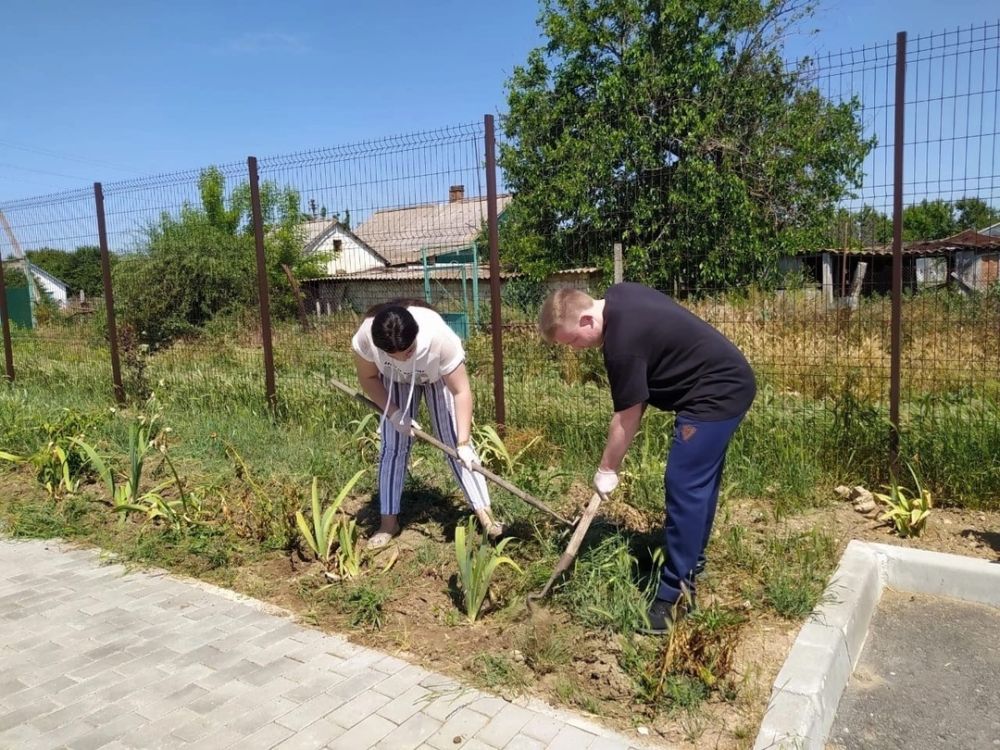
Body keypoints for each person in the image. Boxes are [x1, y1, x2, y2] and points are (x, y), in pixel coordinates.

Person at [539, 283, 756, 634]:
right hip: (725, 380)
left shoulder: (621, 343)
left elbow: (627, 415)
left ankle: (674, 597)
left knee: (684, 484)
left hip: (716, 392)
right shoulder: (621, 295)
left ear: (584, 319)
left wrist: (607, 468)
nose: (576, 349)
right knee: (697, 482)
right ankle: (691, 562)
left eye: (572, 341)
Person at [352, 299, 503, 548]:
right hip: (395, 381)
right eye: (394, 355)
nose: (403, 357)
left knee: (455, 445)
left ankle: (487, 518)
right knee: (392, 446)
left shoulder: (439, 338)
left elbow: (461, 391)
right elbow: (368, 377)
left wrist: (463, 442)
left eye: (408, 351)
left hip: (436, 379)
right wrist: (393, 413)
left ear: (416, 338)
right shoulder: (367, 336)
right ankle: (388, 523)